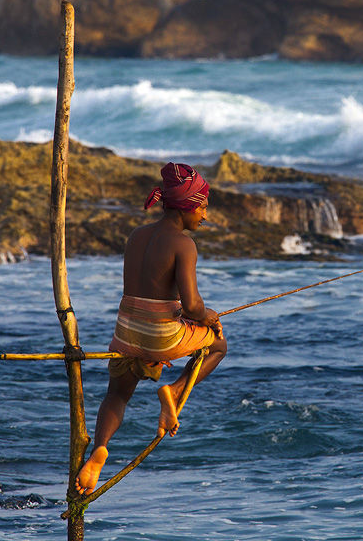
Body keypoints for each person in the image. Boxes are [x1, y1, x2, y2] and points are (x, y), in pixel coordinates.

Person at [74, 162, 227, 496]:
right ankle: (174, 390)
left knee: (117, 394)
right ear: (188, 206)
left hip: (126, 330)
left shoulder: (137, 235)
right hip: (162, 335)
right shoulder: (184, 244)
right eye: (202, 207)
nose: (204, 215)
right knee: (217, 346)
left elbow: (145, 292)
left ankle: (100, 447)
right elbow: (191, 307)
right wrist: (209, 317)